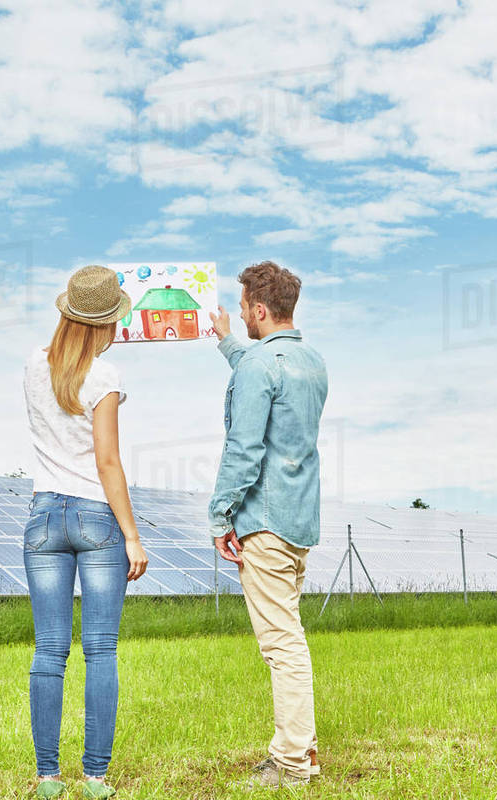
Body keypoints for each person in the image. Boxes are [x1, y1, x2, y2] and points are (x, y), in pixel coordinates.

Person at [22, 265, 149, 799]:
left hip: (43, 515)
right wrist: (133, 536)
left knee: (49, 650)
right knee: (101, 650)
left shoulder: (33, 366)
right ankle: (95, 778)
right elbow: (107, 461)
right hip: (96, 518)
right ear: (105, 324)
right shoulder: (105, 376)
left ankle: (48, 778)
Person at [207, 261, 329, 789]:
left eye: (242, 311)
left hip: (265, 522)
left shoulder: (261, 366)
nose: (241, 317)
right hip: (299, 521)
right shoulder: (311, 362)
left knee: (282, 645)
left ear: (259, 309)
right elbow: (261, 372)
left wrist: (219, 515)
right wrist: (227, 342)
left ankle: (293, 763)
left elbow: (245, 449)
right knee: (289, 636)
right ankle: (303, 749)